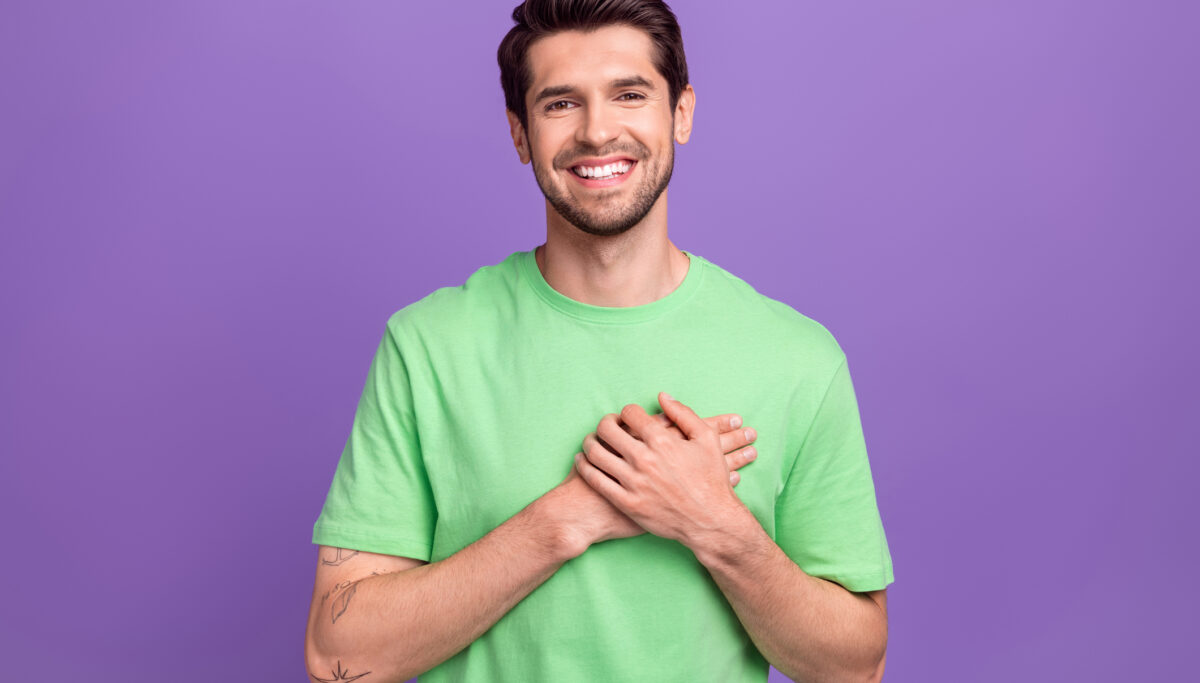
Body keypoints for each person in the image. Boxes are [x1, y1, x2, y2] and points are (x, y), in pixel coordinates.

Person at [305, 1, 894, 681]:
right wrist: (569, 517)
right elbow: (338, 655)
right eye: (560, 103)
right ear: (520, 133)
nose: (597, 130)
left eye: (629, 94)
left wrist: (714, 523)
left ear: (681, 113)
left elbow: (856, 667)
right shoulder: (427, 348)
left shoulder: (798, 359)